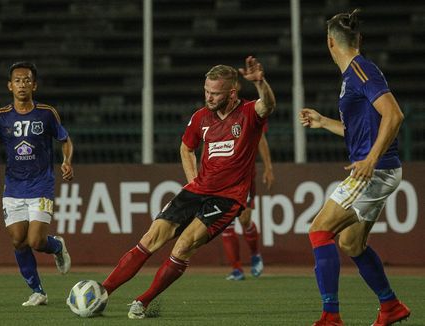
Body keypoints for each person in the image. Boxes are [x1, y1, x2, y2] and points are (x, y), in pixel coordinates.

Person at [100, 56, 276, 319]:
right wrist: (193, 178)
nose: (209, 97)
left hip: (228, 198)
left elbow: (269, 105)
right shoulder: (200, 118)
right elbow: (186, 147)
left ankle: (144, 301)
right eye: (206, 91)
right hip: (197, 190)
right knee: (150, 238)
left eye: (215, 93)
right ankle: (101, 293)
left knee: (183, 246)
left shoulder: (249, 113)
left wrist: (261, 83)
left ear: (232, 92)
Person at [299, 9, 410, 326]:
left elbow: (395, 115)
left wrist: (372, 159)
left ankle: (330, 316)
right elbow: (361, 130)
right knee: (351, 243)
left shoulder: (361, 70)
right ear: (357, 39)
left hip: (375, 170)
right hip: (379, 169)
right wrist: (323, 122)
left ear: (330, 43)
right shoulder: (354, 75)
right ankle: (391, 306)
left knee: (319, 230)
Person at [0, 61, 73, 306]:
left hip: (41, 184)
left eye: (27, 80)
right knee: (17, 240)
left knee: (35, 241)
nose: (22, 84)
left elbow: (65, 139)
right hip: (13, 187)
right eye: (18, 80)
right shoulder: (0, 117)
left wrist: (66, 160)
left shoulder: (46, 113)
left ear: (34, 85)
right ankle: (38, 292)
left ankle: (56, 247)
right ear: (9, 86)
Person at [222, 132, 274, 280]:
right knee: (226, 222)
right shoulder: (215, 115)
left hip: (245, 175)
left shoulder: (247, 112)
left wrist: (268, 167)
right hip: (222, 175)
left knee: (244, 219)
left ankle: (255, 254)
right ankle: (237, 269)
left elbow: (260, 138)